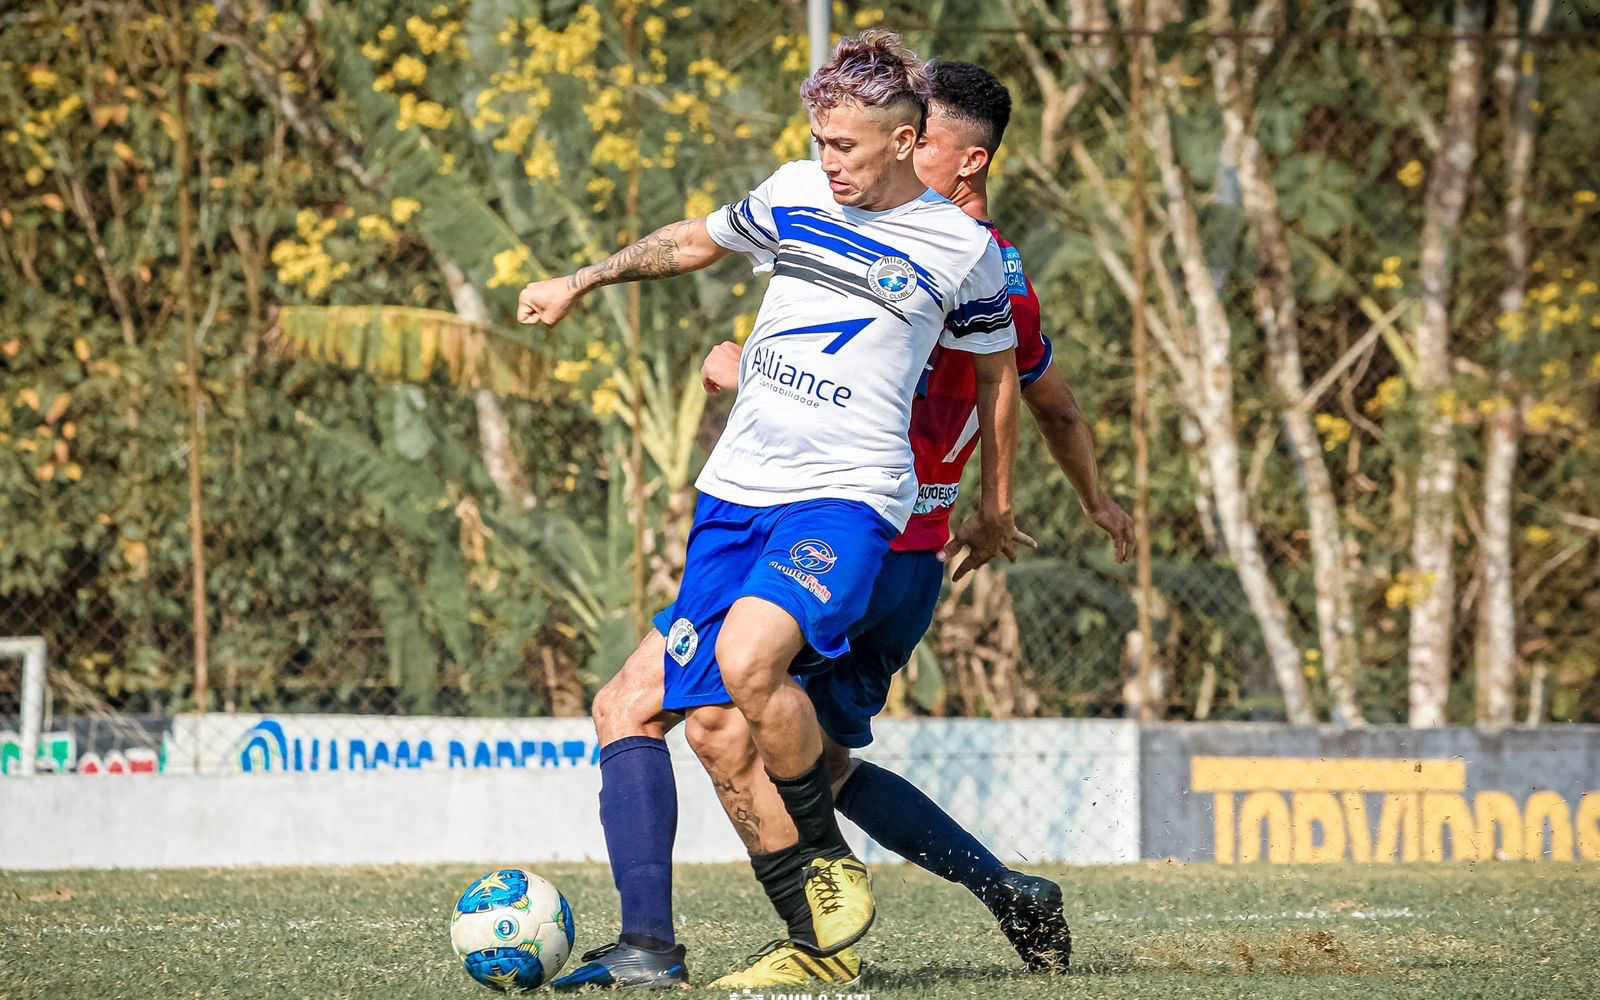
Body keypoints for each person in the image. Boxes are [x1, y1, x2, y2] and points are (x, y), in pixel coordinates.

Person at [554, 60, 1134, 991]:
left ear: (951, 156)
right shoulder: (896, 233)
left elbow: (937, 390)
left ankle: (773, 940)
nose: (834, 165)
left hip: (869, 532)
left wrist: (998, 505)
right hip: (850, 529)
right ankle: (989, 896)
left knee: (712, 716)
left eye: (917, 136)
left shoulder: (966, 262)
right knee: (785, 749)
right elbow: (1038, 399)